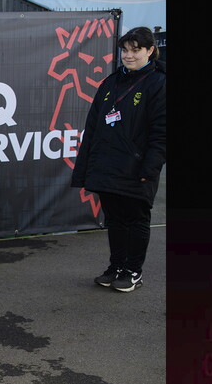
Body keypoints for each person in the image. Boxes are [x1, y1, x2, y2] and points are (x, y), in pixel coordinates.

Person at [71, 27, 166, 292]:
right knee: (115, 219)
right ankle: (116, 267)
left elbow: (161, 132)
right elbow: (93, 127)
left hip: (137, 168)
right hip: (107, 166)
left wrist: (149, 167)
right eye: (125, 50)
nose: (129, 56)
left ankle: (133, 271)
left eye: (136, 50)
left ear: (150, 50)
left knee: (136, 219)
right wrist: (86, 165)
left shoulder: (158, 83)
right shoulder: (110, 82)